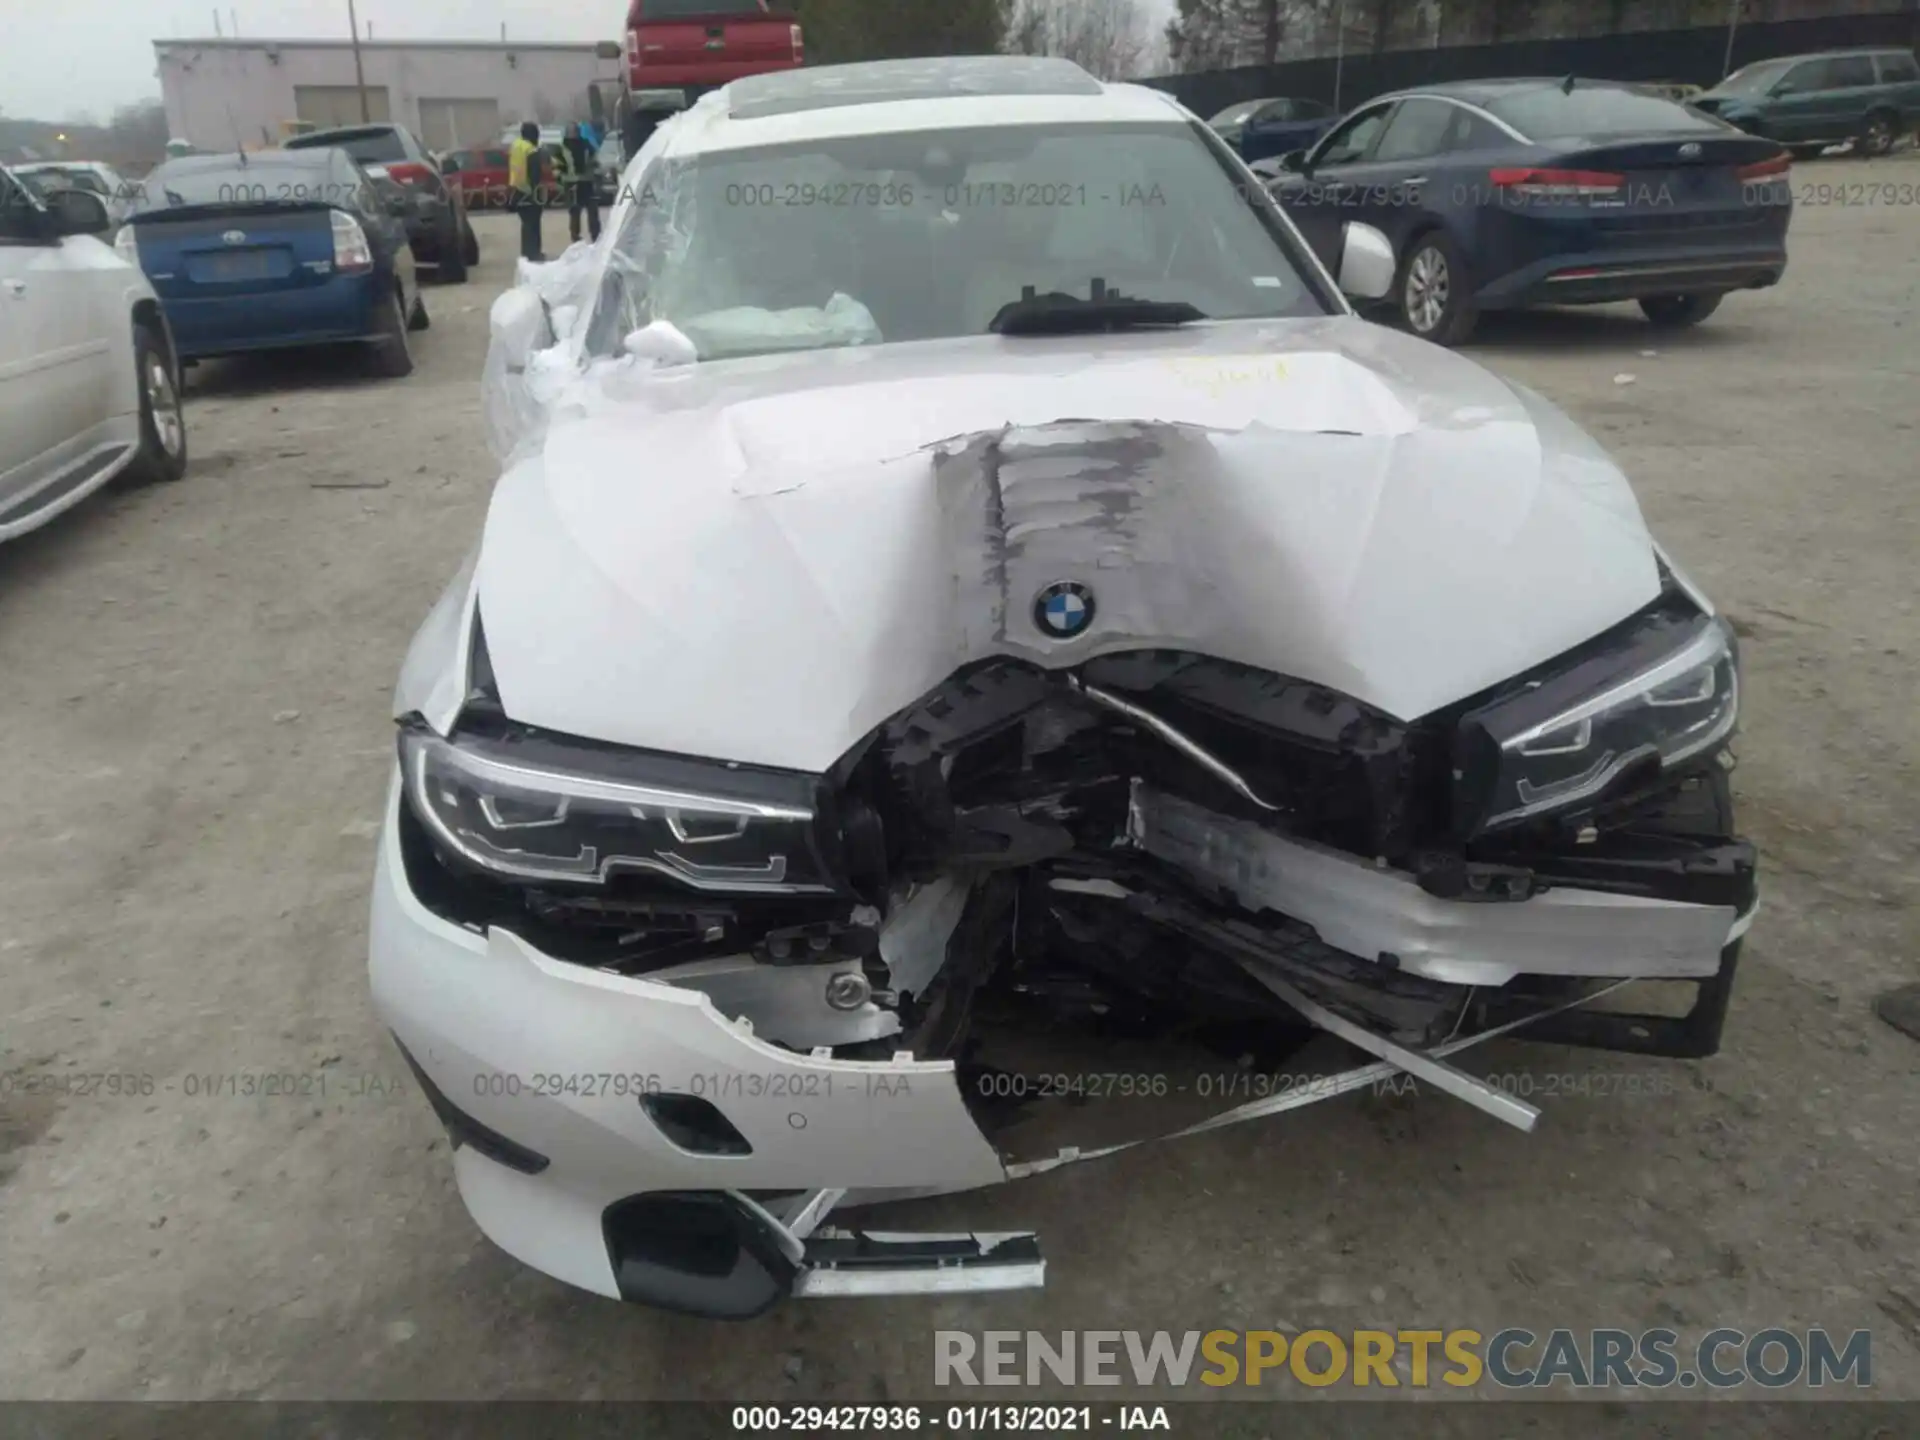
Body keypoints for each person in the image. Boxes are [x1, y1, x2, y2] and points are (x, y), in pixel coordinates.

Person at [557, 121, 601, 246]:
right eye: (571, 131)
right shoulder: (562, 148)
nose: (573, 133)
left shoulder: (586, 145)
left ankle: (596, 237)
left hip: (587, 182)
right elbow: (556, 166)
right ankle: (576, 238)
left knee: (592, 211)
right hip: (571, 184)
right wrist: (560, 180)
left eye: (575, 130)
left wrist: (595, 173)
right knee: (574, 212)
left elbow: (594, 161)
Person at [507, 120, 545, 262]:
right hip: (530, 191)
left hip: (516, 189)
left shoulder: (515, 146)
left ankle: (526, 252)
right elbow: (535, 173)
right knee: (534, 223)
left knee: (526, 223)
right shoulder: (531, 150)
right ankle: (534, 253)